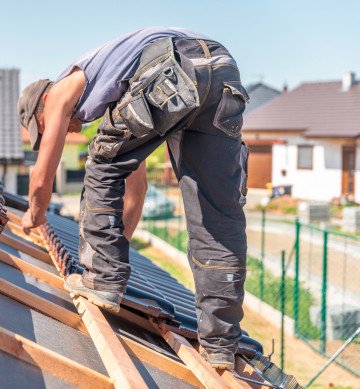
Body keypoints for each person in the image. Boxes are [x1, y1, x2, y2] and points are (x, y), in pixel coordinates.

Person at [17, 27, 250, 370]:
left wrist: (35, 214)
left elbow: (42, 178)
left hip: (172, 63)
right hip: (221, 71)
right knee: (216, 216)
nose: (62, 130)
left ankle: (100, 281)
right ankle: (220, 344)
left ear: (42, 107)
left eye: (44, 126)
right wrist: (114, 249)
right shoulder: (120, 92)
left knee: (100, 161)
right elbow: (134, 191)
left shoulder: (63, 89)